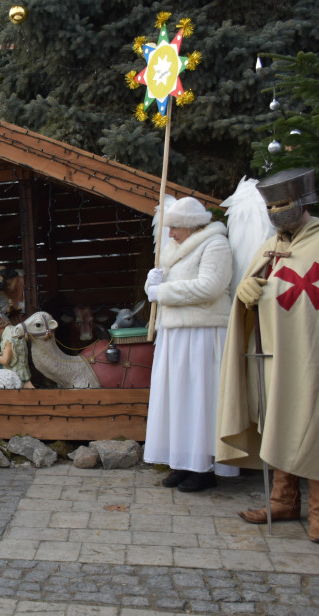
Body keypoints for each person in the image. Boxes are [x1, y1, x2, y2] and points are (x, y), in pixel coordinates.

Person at [217, 168, 319, 544]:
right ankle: (283, 501)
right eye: (270, 206)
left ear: (303, 202)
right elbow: (254, 295)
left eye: (283, 204)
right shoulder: (270, 247)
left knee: (318, 429)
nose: (276, 212)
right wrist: (247, 293)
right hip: (274, 357)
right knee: (279, 422)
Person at [142, 197, 238, 492]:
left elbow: (210, 287)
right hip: (174, 334)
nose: (169, 233)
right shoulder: (173, 249)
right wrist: (151, 283)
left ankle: (204, 467)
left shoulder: (215, 244)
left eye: (175, 227)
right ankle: (183, 462)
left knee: (199, 399)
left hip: (202, 333)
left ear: (191, 225)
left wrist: (161, 291)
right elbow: (161, 288)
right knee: (177, 400)